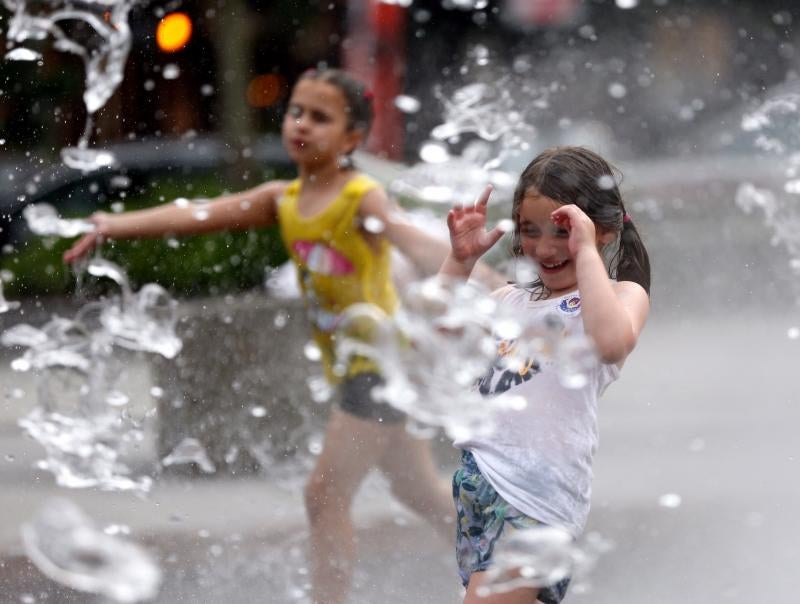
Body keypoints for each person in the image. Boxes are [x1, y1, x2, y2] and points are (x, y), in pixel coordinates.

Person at [64, 68, 499, 604]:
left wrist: (493, 285)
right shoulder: (283, 199)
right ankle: (505, 566)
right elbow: (198, 215)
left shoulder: (360, 197)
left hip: (380, 367)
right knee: (421, 493)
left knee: (324, 495)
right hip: (361, 367)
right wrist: (112, 225)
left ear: (351, 139)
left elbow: (416, 244)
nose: (303, 124)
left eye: (321, 117)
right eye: (297, 112)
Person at [439, 146, 651, 604]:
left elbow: (611, 342)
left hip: (537, 499)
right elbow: (434, 335)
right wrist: (459, 263)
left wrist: (587, 252)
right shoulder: (509, 302)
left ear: (604, 232)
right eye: (530, 232)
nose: (546, 248)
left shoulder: (619, 296)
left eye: (564, 231)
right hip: (481, 486)